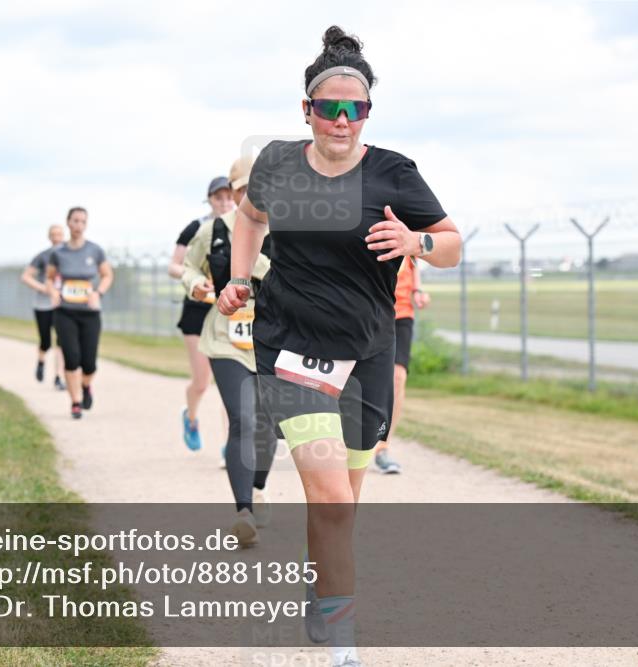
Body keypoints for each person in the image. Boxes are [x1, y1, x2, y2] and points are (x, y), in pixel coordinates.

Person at [217, 27, 460, 667]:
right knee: (327, 497)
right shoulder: (275, 162)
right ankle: (344, 646)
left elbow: (454, 244)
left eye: (357, 108)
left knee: (342, 507)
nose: (344, 120)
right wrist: (240, 279)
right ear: (308, 111)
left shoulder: (393, 172)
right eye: (331, 107)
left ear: (368, 114)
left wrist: (418, 246)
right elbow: (250, 216)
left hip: (368, 353)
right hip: (290, 345)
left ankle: (322, 586)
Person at [182, 156, 277, 546]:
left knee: (268, 426)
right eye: (242, 190)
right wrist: (197, 286)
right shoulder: (212, 232)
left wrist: (253, 262)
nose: (249, 197)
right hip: (225, 338)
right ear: (234, 193)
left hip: (272, 338)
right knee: (243, 419)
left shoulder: (286, 232)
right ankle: (244, 512)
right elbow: (188, 267)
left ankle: (256, 486)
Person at [167, 176, 236, 451]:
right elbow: (174, 266)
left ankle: (231, 444)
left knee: (230, 382)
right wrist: (195, 280)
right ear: (209, 199)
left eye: (228, 196)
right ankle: (191, 417)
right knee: (202, 381)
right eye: (218, 197)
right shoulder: (197, 227)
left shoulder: (242, 228)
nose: (224, 202)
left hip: (230, 313)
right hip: (197, 310)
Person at [46, 207, 114, 419]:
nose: (78, 225)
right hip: (65, 311)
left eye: (82, 221)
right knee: (71, 358)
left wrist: (98, 293)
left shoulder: (95, 250)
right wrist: (53, 293)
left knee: (89, 363)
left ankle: (86, 386)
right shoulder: (58, 253)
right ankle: (75, 402)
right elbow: (49, 278)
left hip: (89, 312)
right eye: (75, 221)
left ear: (86, 224)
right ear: (68, 223)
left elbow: (107, 275)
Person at [372, 256, 429, 474]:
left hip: (401, 311)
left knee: (398, 377)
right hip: (370, 308)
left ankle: (382, 447)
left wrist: (417, 289)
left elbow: (414, 253)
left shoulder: (409, 222)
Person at [22, 224, 67, 391]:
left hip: (62, 304)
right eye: (54, 234)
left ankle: (58, 377)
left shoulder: (69, 255)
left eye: (60, 234)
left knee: (61, 342)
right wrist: (44, 288)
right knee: (46, 342)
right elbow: (26, 276)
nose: (57, 237)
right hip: (43, 305)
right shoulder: (42, 256)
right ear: (49, 237)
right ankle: (41, 361)